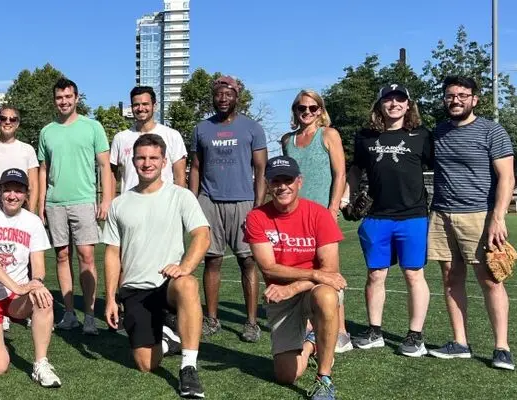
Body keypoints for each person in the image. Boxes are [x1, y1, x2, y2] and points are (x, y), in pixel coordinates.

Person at [102, 134, 208, 398]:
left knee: (188, 284)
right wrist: (111, 299)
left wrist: (184, 267)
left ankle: (189, 367)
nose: (147, 163)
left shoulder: (180, 196)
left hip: (168, 282)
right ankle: (168, 337)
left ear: (163, 162)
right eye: (141, 157)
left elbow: (202, 235)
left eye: (153, 158)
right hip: (136, 289)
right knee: (146, 364)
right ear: (132, 161)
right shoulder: (119, 204)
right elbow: (112, 253)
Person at [426, 76, 516, 370]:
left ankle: (501, 347)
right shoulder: (437, 132)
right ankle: (460, 343)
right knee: (451, 280)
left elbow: (507, 177)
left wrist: (497, 217)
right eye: (450, 95)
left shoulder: (492, 131)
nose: (456, 100)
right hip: (441, 214)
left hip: (479, 216)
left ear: (475, 99)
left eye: (463, 95)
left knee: (491, 280)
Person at [244, 156, 345, 400]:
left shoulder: (319, 214)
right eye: (276, 181)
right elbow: (268, 268)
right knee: (286, 376)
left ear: (299, 181)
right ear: (267, 184)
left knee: (327, 295)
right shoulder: (257, 217)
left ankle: (324, 378)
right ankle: (312, 341)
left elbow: (330, 273)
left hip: (312, 289)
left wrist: (296, 287)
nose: (282, 187)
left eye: (288, 180)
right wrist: (312, 273)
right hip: (284, 296)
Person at [347, 84, 433, 357]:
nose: (394, 104)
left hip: (413, 216)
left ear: (408, 105)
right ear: (380, 105)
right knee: (375, 275)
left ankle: (415, 336)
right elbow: (355, 169)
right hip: (376, 217)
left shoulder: (421, 135)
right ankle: (374, 331)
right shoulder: (365, 137)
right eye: (388, 99)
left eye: (400, 99)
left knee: (413, 274)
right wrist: (346, 198)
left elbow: (439, 168)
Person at [190, 75, 268, 342]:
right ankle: (211, 320)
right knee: (212, 260)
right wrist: (193, 202)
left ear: (237, 97)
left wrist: (258, 208)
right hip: (210, 201)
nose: (222, 99)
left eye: (228, 94)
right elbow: (196, 168)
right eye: (218, 94)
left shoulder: (252, 128)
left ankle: (251, 322)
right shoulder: (201, 128)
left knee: (248, 261)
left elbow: (261, 170)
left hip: (244, 202)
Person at [0, 168, 60, 386]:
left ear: (26, 194)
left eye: (18, 191)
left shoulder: (33, 221)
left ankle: (41, 364)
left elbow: (38, 265)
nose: (12, 195)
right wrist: (17, 287)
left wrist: (35, 282)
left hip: (14, 299)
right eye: (7, 190)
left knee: (43, 298)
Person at [37, 77, 115, 335]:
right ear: (54, 100)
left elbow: (105, 166)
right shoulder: (47, 131)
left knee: (87, 256)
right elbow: (43, 170)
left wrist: (105, 200)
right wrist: (40, 205)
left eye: (68, 97)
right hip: (55, 202)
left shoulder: (93, 127)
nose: (64, 101)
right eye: (59, 97)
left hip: (83, 202)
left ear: (76, 98)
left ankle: (90, 315)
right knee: (61, 256)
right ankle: (69, 314)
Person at [280, 89, 351, 353]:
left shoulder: (329, 135)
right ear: (295, 111)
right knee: (303, 270)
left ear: (320, 110)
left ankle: (341, 331)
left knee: (330, 274)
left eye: (312, 108)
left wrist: (333, 209)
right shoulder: (287, 140)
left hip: (322, 215)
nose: (307, 112)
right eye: (301, 108)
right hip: (294, 217)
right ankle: (309, 328)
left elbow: (340, 173)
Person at [110, 86, 187, 191]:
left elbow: (180, 177)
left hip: (163, 204)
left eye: (145, 104)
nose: (141, 108)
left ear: (154, 106)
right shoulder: (120, 138)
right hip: (131, 204)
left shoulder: (172, 135)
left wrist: (179, 203)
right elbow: (111, 174)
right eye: (136, 105)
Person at [0, 105, 39, 211]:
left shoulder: (28, 149)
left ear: (17, 124)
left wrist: (30, 212)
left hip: (19, 202)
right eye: (3, 118)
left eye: (12, 119)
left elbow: (33, 185)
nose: (7, 122)